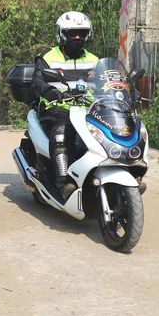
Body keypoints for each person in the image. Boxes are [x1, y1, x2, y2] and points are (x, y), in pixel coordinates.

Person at [32, 11, 99, 200]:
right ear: (62, 34)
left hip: (88, 109)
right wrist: (49, 91)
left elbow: (108, 79)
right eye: (72, 33)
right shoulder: (47, 57)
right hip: (57, 109)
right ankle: (63, 184)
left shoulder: (94, 60)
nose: (77, 37)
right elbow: (37, 80)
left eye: (81, 33)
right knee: (61, 134)